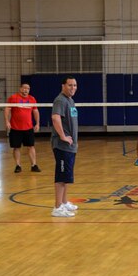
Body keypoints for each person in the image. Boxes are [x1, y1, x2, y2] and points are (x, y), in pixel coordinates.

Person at [51, 76, 79, 218]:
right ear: (63, 86)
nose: (72, 88)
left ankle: (63, 202)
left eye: (74, 85)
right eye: (70, 85)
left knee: (66, 176)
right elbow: (55, 118)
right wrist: (62, 136)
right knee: (61, 176)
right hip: (62, 145)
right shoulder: (60, 100)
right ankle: (57, 207)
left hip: (70, 146)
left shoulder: (70, 100)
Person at [4, 82, 41, 173]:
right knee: (16, 147)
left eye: (28, 88)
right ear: (20, 88)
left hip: (28, 128)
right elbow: (7, 110)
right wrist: (7, 121)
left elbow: (35, 111)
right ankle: (18, 165)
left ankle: (34, 165)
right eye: (24, 88)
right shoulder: (13, 98)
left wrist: (37, 123)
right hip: (15, 128)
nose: (26, 90)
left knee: (31, 146)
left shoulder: (32, 99)